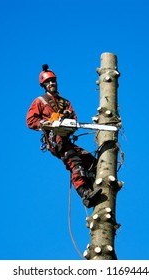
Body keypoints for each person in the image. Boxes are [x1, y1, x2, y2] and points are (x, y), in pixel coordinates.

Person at [26, 64, 102, 208]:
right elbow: (30, 121)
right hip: (56, 141)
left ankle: (93, 183)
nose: (51, 84)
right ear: (44, 85)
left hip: (66, 138)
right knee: (74, 162)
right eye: (48, 82)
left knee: (91, 161)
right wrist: (46, 123)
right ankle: (85, 195)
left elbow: (74, 118)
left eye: (53, 81)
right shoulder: (40, 101)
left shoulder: (65, 102)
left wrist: (67, 116)